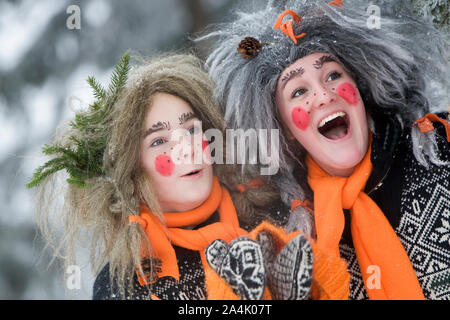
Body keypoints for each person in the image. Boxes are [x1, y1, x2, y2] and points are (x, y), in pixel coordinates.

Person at [201, 0, 450, 299]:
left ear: (360, 89)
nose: (323, 95)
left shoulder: (439, 148)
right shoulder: (291, 239)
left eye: (333, 75)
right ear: (286, 133)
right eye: (299, 91)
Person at [28, 52, 319, 300]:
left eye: (192, 129)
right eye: (159, 141)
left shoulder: (277, 212)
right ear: (131, 169)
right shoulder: (126, 284)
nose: (187, 148)